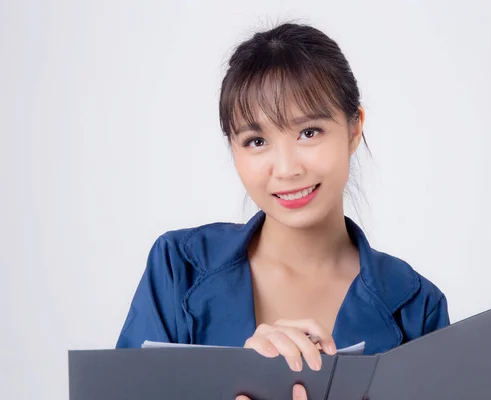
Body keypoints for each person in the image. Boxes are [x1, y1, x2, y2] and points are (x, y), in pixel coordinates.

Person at [115, 22, 450, 400]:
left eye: (309, 132)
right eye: (256, 141)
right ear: (233, 149)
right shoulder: (178, 269)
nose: (287, 168)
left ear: (354, 128)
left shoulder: (415, 306)